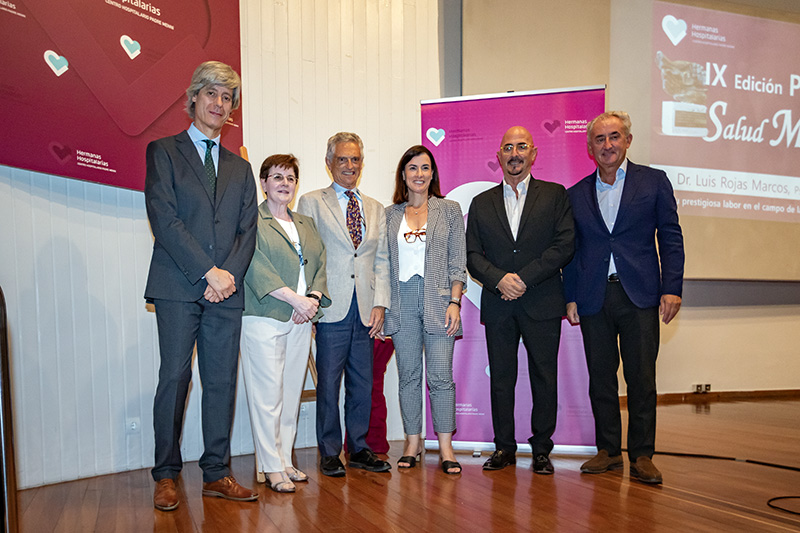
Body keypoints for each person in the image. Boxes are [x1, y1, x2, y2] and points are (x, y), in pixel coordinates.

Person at [144, 61, 258, 511]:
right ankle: (166, 474)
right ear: (193, 99)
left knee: (221, 382)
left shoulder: (240, 167)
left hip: (226, 291)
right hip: (177, 285)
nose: (218, 103)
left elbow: (248, 230)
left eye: (227, 97)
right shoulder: (163, 151)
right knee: (174, 378)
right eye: (211, 93)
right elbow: (164, 220)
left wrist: (225, 275)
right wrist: (207, 271)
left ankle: (217, 473)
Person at [564, 111, 684, 485]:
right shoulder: (576, 194)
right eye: (599, 139)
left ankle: (643, 454)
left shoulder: (654, 182)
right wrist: (570, 297)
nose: (608, 145)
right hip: (593, 296)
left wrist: (672, 287)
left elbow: (670, 236)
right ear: (590, 148)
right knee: (600, 377)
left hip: (641, 295)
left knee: (641, 378)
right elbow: (571, 251)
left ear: (627, 141)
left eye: (614, 137)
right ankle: (609, 451)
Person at [466, 126, 574, 475]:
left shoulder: (555, 195)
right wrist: (499, 279)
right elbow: (471, 254)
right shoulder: (481, 203)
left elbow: (564, 245)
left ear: (534, 153)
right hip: (499, 304)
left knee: (545, 376)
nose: (514, 153)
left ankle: (541, 449)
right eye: (508, 147)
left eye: (521, 146)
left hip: (541, 302)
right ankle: (504, 448)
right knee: (501, 378)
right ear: (499, 156)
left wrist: (523, 278)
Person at [296, 132, 391, 476]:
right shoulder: (310, 202)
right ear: (329, 163)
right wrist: (310, 299)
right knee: (329, 382)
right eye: (342, 159)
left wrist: (380, 304)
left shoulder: (375, 208)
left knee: (362, 382)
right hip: (330, 306)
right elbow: (306, 255)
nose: (349, 165)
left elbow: (381, 261)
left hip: (365, 309)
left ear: (362, 164)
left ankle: (360, 447)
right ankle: (329, 451)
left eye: (355, 160)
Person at [240, 154, 331, 493]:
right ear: (263, 183)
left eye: (290, 178)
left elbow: (321, 263)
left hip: (302, 319)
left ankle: (285, 460)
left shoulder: (306, 223)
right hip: (264, 317)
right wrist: (295, 300)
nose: (284, 184)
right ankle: (270, 466)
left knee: (291, 392)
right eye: (276, 177)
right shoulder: (251, 219)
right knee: (267, 395)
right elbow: (253, 265)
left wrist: (314, 300)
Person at [385, 145, 467, 475]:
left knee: (441, 378)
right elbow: (382, 263)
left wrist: (455, 302)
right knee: (408, 378)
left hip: (438, 301)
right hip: (401, 303)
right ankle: (412, 442)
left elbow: (457, 261)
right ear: (403, 174)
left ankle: (445, 447)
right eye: (413, 168)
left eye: (425, 168)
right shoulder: (390, 214)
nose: (419, 174)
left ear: (432, 174)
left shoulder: (449, 209)